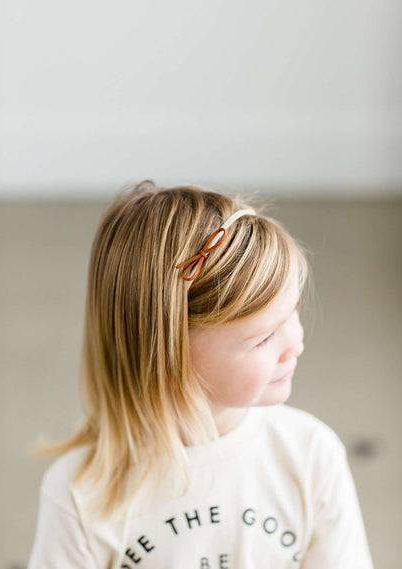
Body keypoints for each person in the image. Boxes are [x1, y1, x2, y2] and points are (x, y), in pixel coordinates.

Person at [26, 180, 374, 568]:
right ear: (166, 357)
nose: (296, 343)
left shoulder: (310, 455)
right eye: (263, 338)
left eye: (293, 310)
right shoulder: (80, 496)